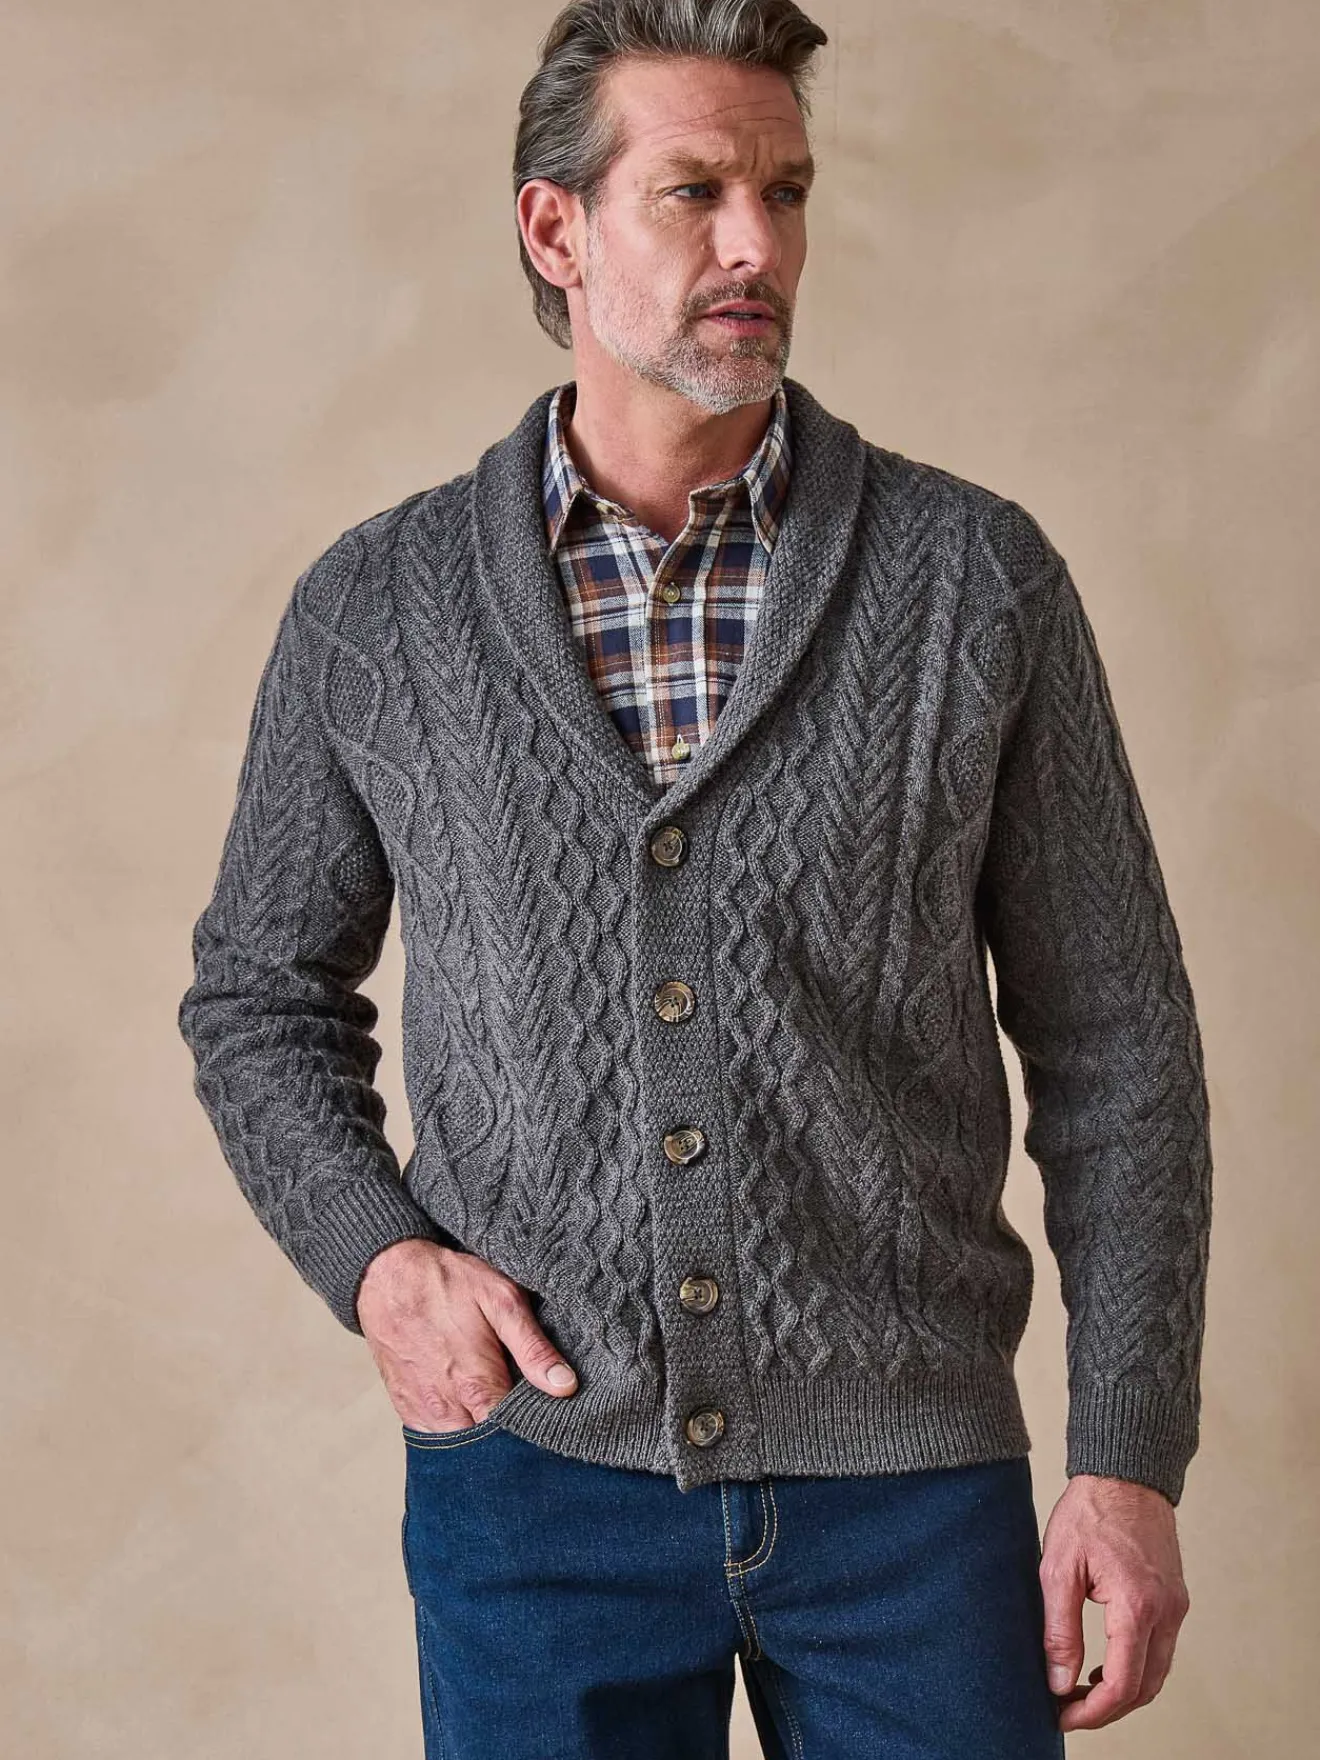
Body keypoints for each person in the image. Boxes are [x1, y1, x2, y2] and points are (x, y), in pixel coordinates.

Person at [177, 2, 1212, 1755]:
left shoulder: (977, 582)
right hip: (535, 1495)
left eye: (785, 193)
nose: (758, 246)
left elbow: (1119, 1041)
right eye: (695, 191)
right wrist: (382, 1265)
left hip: (912, 1496)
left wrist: (1127, 1457)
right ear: (555, 229)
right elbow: (258, 998)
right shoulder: (377, 610)